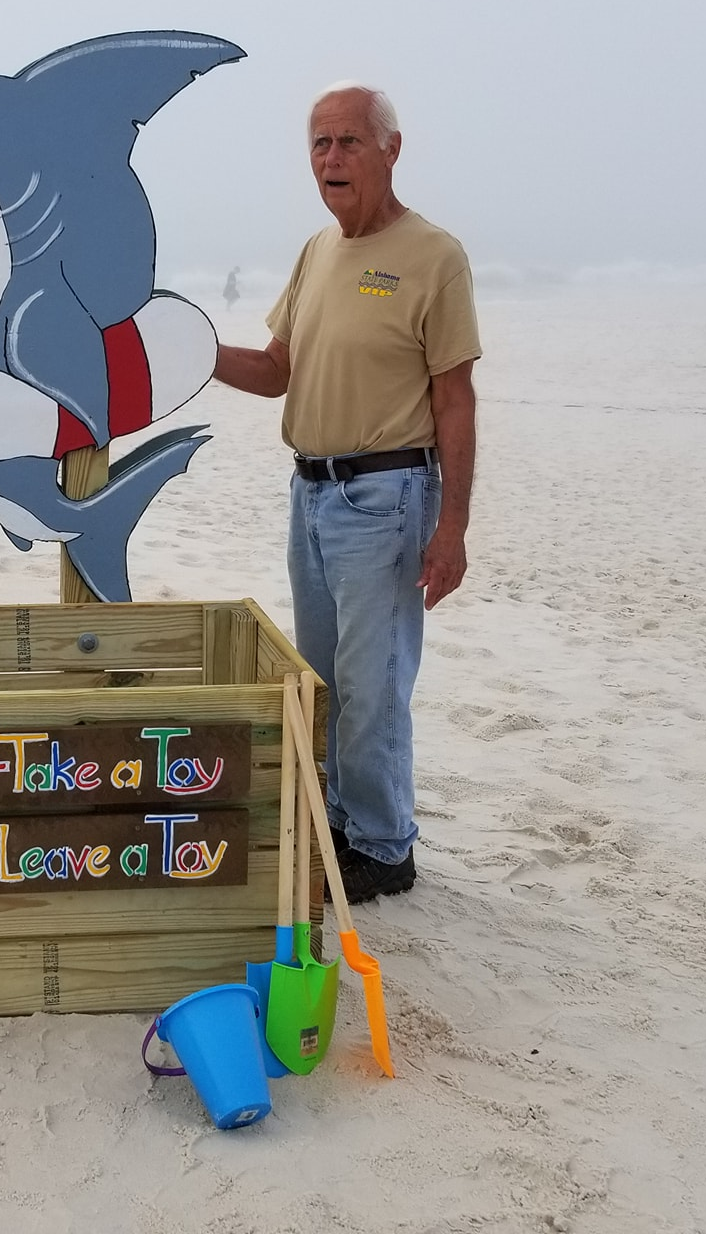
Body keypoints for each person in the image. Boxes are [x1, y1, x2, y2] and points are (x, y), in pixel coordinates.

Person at [213, 82, 480, 901]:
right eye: (319, 144)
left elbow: (454, 399)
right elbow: (275, 370)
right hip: (310, 493)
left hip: (385, 495)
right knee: (323, 680)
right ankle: (340, 825)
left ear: (390, 150)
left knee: (373, 683)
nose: (331, 158)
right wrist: (187, 349)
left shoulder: (433, 255)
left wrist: (452, 528)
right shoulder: (316, 252)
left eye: (349, 142)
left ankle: (384, 848)